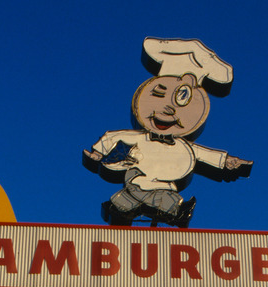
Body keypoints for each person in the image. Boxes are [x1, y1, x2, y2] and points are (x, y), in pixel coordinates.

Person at [83, 37, 253, 228]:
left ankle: (166, 211)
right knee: (130, 202)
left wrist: (228, 161)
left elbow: (206, 155)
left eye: (182, 102)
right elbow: (113, 137)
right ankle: (129, 211)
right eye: (158, 95)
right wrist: (98, 154)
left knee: (159, 200)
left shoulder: (184, 146)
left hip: (164, 188)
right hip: (136, 180)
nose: (168, 109)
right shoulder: (138, 137)